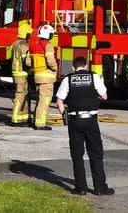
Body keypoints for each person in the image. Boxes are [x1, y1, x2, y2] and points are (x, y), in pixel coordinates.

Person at [56, 56, 113, 196]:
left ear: (73, 67)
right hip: (91, 120)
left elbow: (59, 101)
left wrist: (65, 115)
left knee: (77, 154)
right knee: (96, 154)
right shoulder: (94, 77)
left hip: (75, 121)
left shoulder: (67, 79)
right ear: (86, 66)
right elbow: (105, 96)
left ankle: (80, 188)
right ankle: (100, 188)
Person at [29, 22, 58, 130]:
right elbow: (50, 61)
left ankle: (36, 120)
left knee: (39, 100)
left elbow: (28, 61)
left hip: (37, 75)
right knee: (44, 101)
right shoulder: (48, 45)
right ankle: (40, 123)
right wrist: (55, 68)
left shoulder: (33, 45)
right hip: (46, 77)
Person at [10, 20, 33, 125]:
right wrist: (34, 67)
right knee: (20, 95)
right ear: (26, 34)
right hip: (22, 74)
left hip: (17, 73)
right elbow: (26, 61)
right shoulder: (24, 45)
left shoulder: (15, 43)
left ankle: (23, 117)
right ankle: (15, 118)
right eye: (29, 33)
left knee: (24, 95)